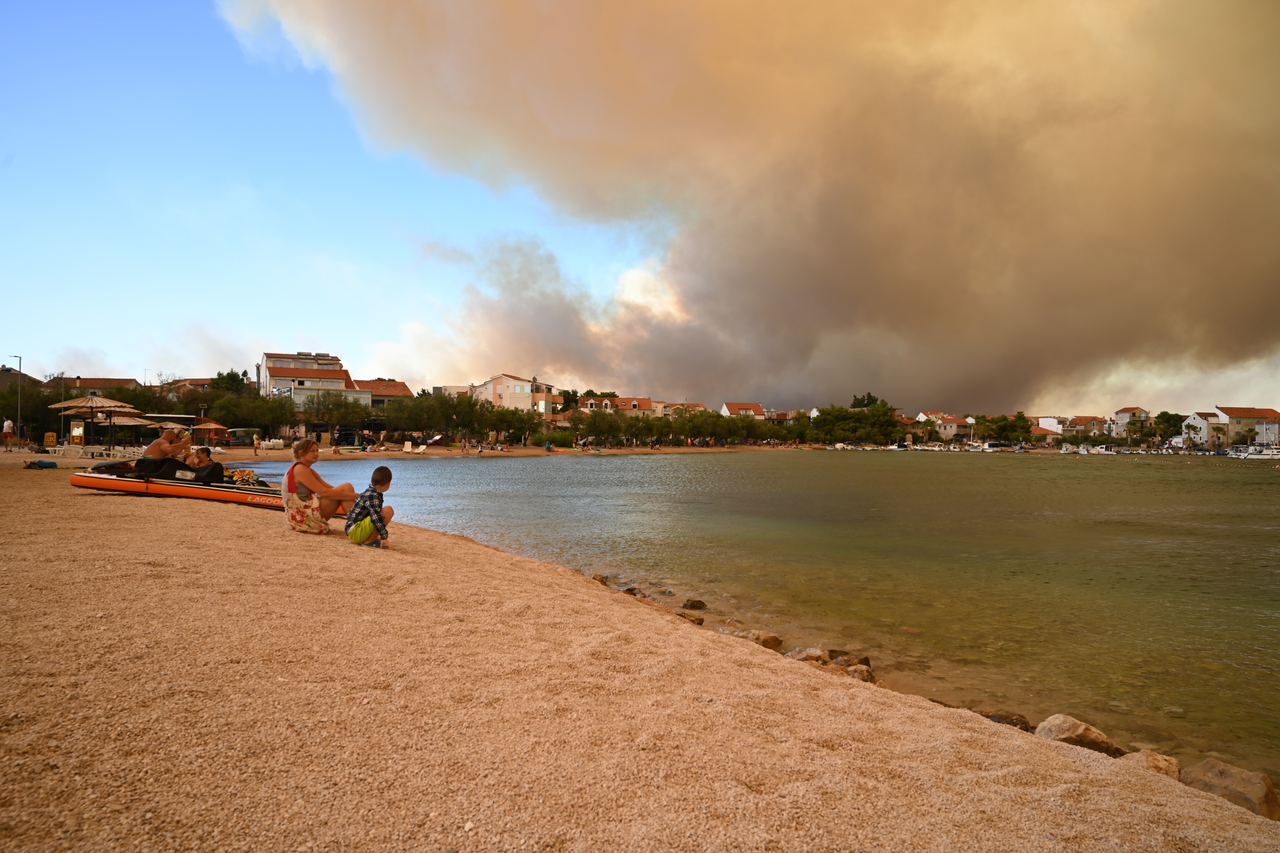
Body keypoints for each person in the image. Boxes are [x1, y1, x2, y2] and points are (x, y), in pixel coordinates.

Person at [282, 438, 358, 534]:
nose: (317, 454)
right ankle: (357, 527)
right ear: (302, 453)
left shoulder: (307, 469)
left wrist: (351, 494)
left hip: (304, 513)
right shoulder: (300, 469)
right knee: (346, 487)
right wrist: (356, 496)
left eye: (317, 451)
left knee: (346, 488)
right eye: (312, 451)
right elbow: (325, 492)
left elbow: (329, 488)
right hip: (301, 518)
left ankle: (356, 525)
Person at [345, 466, 395, 549]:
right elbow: (376, 518)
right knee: (387, 511)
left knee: (380, 513)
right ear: (388, 484)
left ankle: (371, 538)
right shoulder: (373, 496)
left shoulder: (370, 492)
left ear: (372, 481)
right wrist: (384, 537)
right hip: (355, 531)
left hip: (353, 530)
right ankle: (369, 541)